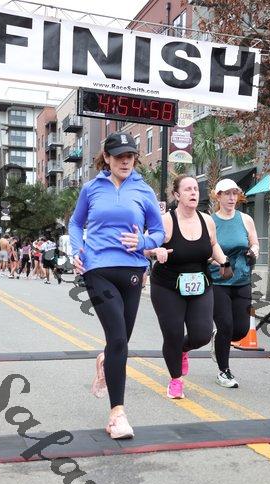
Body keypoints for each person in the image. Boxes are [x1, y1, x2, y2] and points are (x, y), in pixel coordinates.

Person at [69, 132, 165, 439]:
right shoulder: (91, 188)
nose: (126, 161)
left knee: (120, 341)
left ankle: (106, 359)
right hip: (98, 268)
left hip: (133, 270)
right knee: (119, 338)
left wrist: (143, 241)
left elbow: (159, 231)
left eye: (130, 156)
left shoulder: (144, 190)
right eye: (119, 156)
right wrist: (76, 250)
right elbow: (76, 223)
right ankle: (117, 415)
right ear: (107, 158)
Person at [148, 174, 232, 400]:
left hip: (200, 284)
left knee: (202, 335)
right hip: (167, 286)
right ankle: (175, 380)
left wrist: (224, 261)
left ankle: (183, 350)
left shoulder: (207, 220)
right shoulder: (166, 221)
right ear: (177, 195)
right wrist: (156, 250)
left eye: (195, 188)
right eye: (187, 189)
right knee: (173, 334)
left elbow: (213, 244)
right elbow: (145, 245)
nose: (193, 192)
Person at [209, 178, 259, 388]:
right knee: (226, 326)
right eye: (227, 193)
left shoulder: (245, 219)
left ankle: (218, 338)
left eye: (235, 193)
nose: (231, 198)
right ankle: (224, 371)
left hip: (242, 280)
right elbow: (205, 251)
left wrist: (253, 252)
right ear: (218, 196)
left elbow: (255, 243)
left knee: (240, 330)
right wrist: (220, 262)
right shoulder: (210, 221)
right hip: (218, 281)